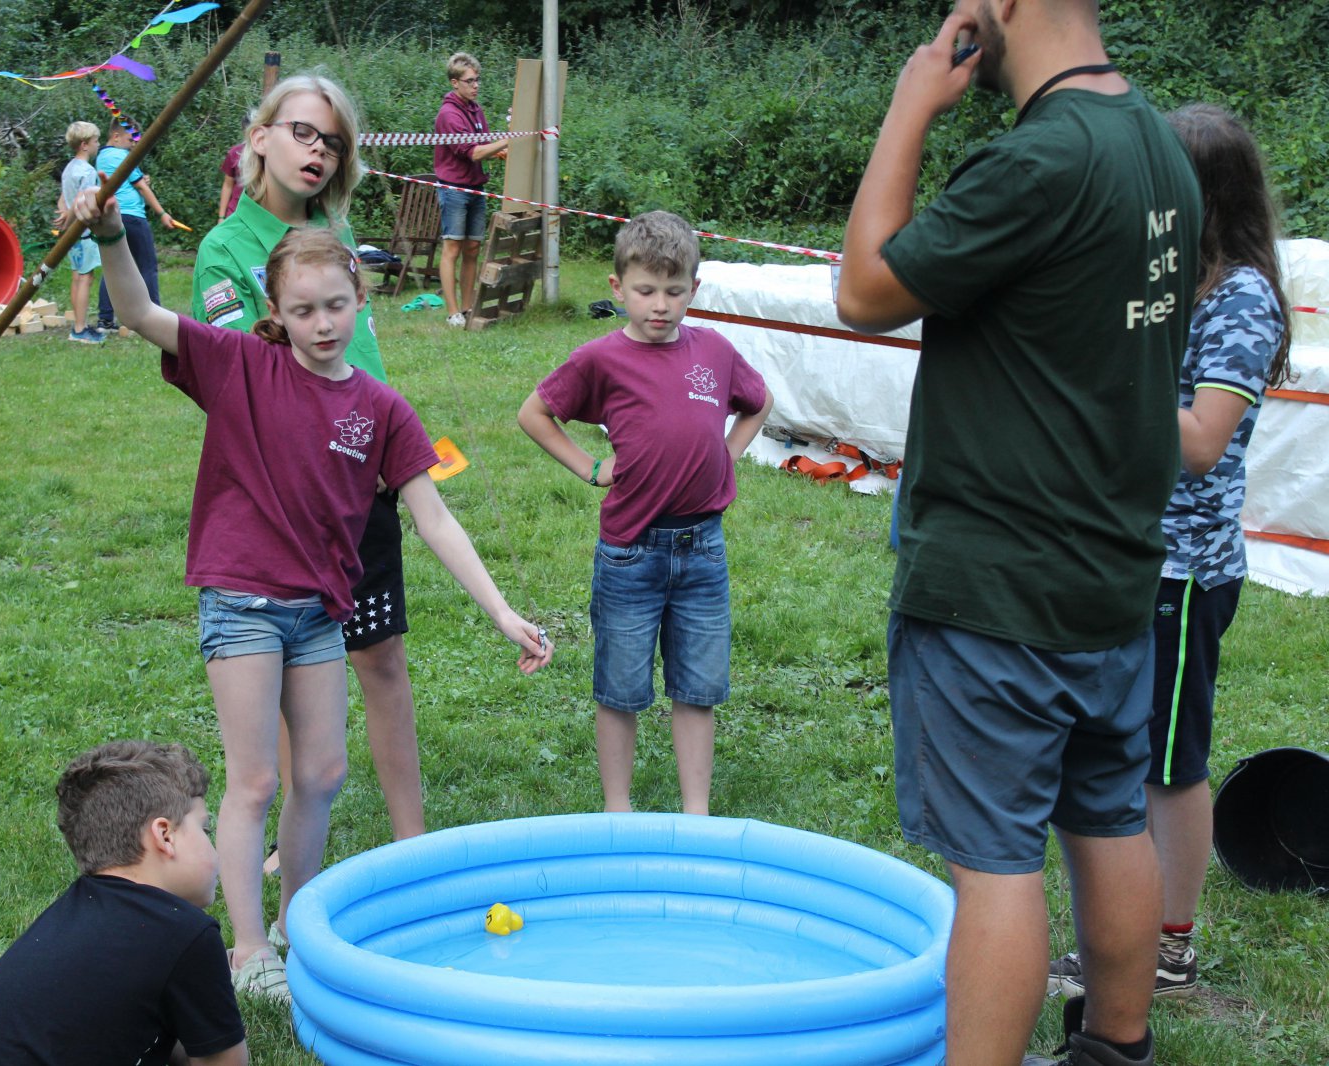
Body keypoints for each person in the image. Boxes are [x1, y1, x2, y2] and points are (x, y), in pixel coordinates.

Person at [72, 189, 554, 1003]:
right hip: (245, 601)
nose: (323, 323)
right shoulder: (240, 366)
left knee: (323, 773)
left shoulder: (381, 408)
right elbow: (141, 312)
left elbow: (434, 519)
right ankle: (248, 950)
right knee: (256, 781)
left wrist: (502, 611)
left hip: (321, 610)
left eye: (335, 305)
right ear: (276, 312)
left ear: (361, 299)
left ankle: (295, 922)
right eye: (303, 311)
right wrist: (114, 234)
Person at [835, 3, 1201, 1065]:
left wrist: (910, 106)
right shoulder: (1158, 147)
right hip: (1111, 581)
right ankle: (1115, 1048)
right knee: (1107, 820)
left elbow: (864, 290)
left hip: (996, 593)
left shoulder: (1038, 160)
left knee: (994, 864)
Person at [1048, 103, 1294, 1005]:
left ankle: (1170, 950)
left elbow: (1199, 442)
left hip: (1183, 575)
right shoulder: (1168, 282)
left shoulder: (1242, 300)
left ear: (1204, 197)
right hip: (1124, 558)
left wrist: (1106, 380)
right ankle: (1120, 942)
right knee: (1110, 757)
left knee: (1168, 766)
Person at [194, 74, 431, 868]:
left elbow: (363, 362)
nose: (318, 152)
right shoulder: (225, 250)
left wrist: (388, 450)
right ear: (258, 138)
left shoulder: (338, 232)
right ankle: (289, 842)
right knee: (291, 665)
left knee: (380, 655)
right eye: (302, 132)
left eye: (332, 141)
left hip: (363, 483)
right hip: (282, 499)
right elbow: (242, 378)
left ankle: (412, 840)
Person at [518, 211, 771, 816]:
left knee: (698, 687)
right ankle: (618, 809)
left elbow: (758, 403)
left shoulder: (714, 351)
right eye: (646, 290)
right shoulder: (600, 359)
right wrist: (590, 468)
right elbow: (534, 413)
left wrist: (727, 456)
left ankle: (696, 813)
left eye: (675, 291)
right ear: (617, 287)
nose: (660, 305)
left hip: (703, 550)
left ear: (694, 289)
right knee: (621, 688)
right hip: (630, 554)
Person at [0, 741, 246, 1066]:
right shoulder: (186, 934)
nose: (212, 847)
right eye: (204, 829)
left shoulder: (70, 916)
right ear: (165, 835)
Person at [433, 52, 512, 327]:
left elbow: (483, 147)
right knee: (452, 248)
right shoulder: (448, 114)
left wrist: (498, 151)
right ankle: (453, 312)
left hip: (476, 187)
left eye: (477, 80)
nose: (475, 85)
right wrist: (507, 140)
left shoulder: (476, 110)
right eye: (469, 81)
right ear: (455, 82)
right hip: (454, 189)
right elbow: (473, 152)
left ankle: (468, 308)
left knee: (473, 248)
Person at [96, 120, 177, 332]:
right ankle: (157, 317)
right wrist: (162, 213)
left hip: (113, 217)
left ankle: (105, 319)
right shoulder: (123, 156)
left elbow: (129, 181)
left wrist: (141, 179)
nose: (133, 145)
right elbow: (141, 187)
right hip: (133, 217)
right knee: (147, 266)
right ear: (115, 137)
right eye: (130, 139)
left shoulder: (102, 157)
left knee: (113, 267)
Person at [59, 121, 108, 344]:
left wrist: (64, 215)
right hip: (83, 232)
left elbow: (63, 198)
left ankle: (78, 325)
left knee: (76, 276)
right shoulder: (87, 171)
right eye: (96, 141)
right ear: (84, 145)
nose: (98, 144)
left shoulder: (69, 168)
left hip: (72, 234)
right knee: (86, 278)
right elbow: (81, 199)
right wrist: (69, 221)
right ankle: (80, 329)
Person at [217, 139, 243, 220]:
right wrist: (221, 217)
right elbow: (228, 185)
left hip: (261, 215)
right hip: (235, 213)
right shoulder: (235, 152)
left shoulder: (271, 153)